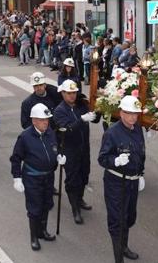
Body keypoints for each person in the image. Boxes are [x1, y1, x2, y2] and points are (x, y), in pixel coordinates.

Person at [10, 103, 66, 251]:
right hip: (32, 177)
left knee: (47, 204)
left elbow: (56, 147)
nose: (46, 122)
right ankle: (34, 237)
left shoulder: (50, 133)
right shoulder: (25, 137)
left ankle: (43, 231)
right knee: (35, 208)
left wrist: (59, 156)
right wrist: (17, 177)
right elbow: (16, 158)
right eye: (42, 120)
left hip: (48, 177)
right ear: (34, 120)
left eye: (47, 119)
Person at [98, 95, 145, 262]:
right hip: (116, 182)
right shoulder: (112, 133)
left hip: (132, 181)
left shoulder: (137, 128)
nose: (133, 117)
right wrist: (115, 161)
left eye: (135, 113)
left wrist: (141, 174)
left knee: (129, 217)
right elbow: (102, 159)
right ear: (121, 113)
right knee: (117, 221)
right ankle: (119, 259)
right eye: (129, 113)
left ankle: (123, 246)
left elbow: (141, 153)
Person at [53, 80, 96, 224]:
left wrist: (100, 109)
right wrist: (81, 120)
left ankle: (80, 199)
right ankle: (75, 208)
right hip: (69, 150)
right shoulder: (59, 111)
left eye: (74, 93)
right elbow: (67, 130)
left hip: (84, 148)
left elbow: (94, 119)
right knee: (73, 180)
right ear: (63, 93)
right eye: (69, 93)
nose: (72, 96)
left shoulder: (81, 105)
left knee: (84, 175)